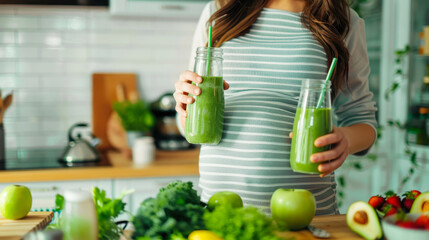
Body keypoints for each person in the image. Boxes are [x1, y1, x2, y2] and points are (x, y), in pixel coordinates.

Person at [173, 0, 377, 215]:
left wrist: (345, 139)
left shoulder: (343, 20)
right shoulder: (219, 9)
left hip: (306, 214)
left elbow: (363, 120)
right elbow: (187, 125)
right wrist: (186, 104)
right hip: (220, 211)